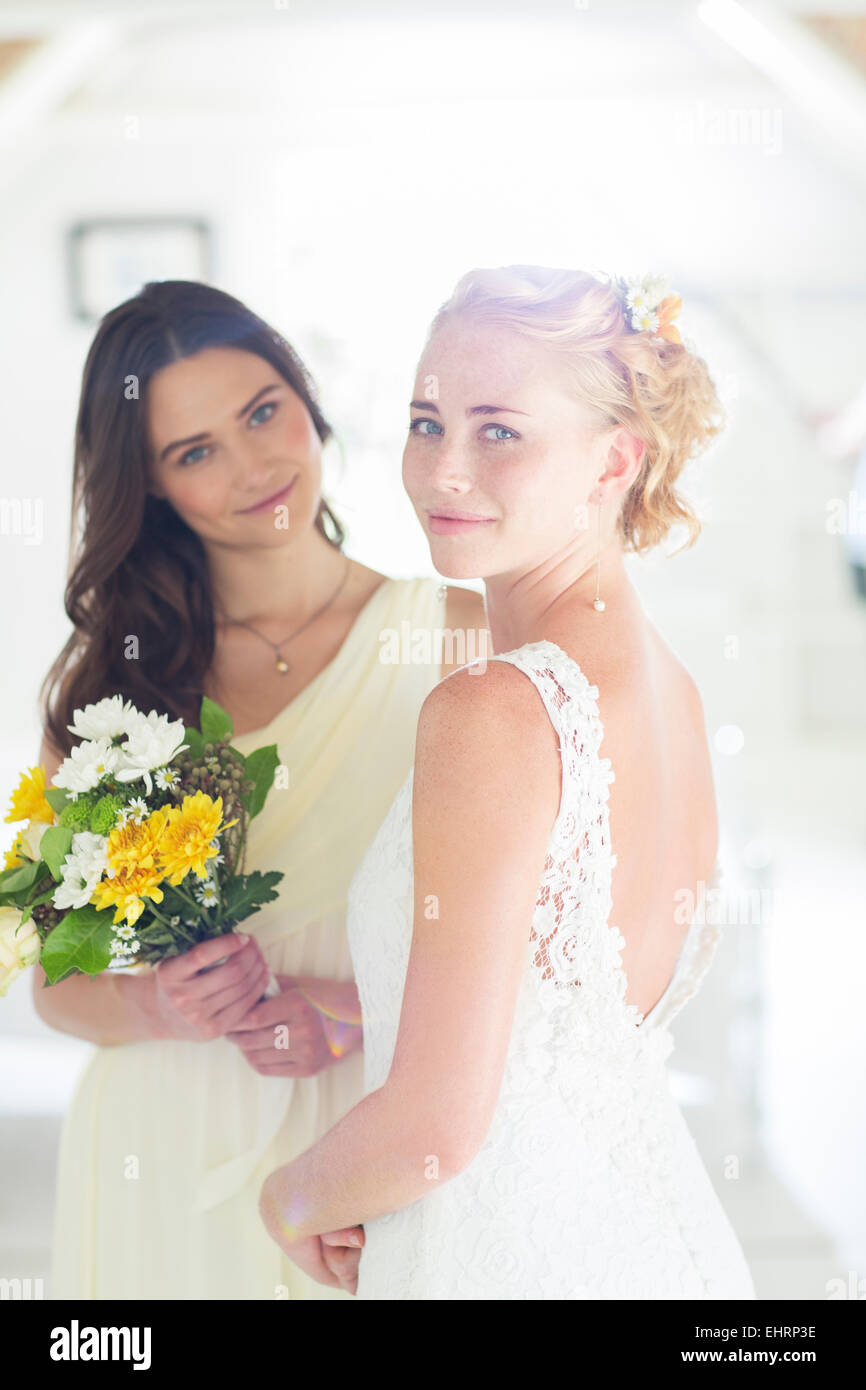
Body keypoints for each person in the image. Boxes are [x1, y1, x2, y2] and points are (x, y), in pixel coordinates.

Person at [259, 264, 757, 1299]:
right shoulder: (673, 694)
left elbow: (434, 1128)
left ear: (613, 461)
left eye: (497, 431)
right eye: (425, 420)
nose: (442, 469)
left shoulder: (491, 710)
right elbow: (548, 1000)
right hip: (664, 1252)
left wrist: (288, 1198)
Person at [33, 279, 487, 1299]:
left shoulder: (457, 634)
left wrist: (360, 1012)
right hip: (161, 1146)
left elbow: (545, 937)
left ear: (305, 398)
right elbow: (56, 986)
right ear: (149, 486)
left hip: (364, 1138)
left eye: (261, 413)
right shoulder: (117, 687)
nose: (252, 468)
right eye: (195, 452)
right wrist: (158, 1002)